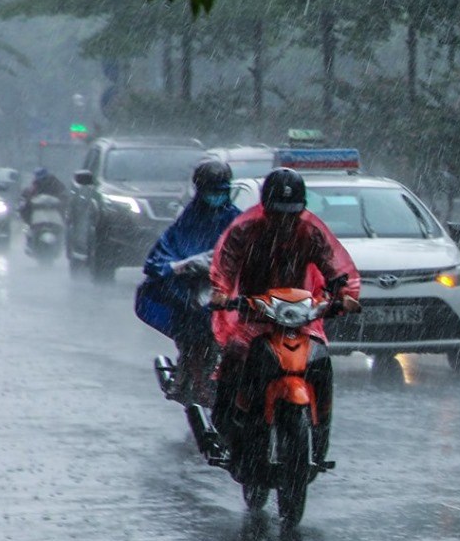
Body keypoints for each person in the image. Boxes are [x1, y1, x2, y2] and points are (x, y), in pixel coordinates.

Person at [208, 168, 361, 463]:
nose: (285, 221)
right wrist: (221, 292)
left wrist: (346, 296)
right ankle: (227, 423)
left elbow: (337, 269)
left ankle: (320, 430)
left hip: (298, 317)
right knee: (235, 359)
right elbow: (225, 265)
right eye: (278, 213)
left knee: (320, 363)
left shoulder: (310, 232)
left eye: (291, 214)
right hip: (255, 317)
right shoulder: (245, 230)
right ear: (266, 207)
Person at [135, 158, 241, 402]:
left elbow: (250, 252)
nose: (215, 196)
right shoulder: (188, 220)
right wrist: (181, 267)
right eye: (211, 191)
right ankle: (187, 374)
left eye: (220, 192)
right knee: (191, 333)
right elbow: (162, 256)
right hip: (193, 296)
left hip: (228, 296)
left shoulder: (238, 221)